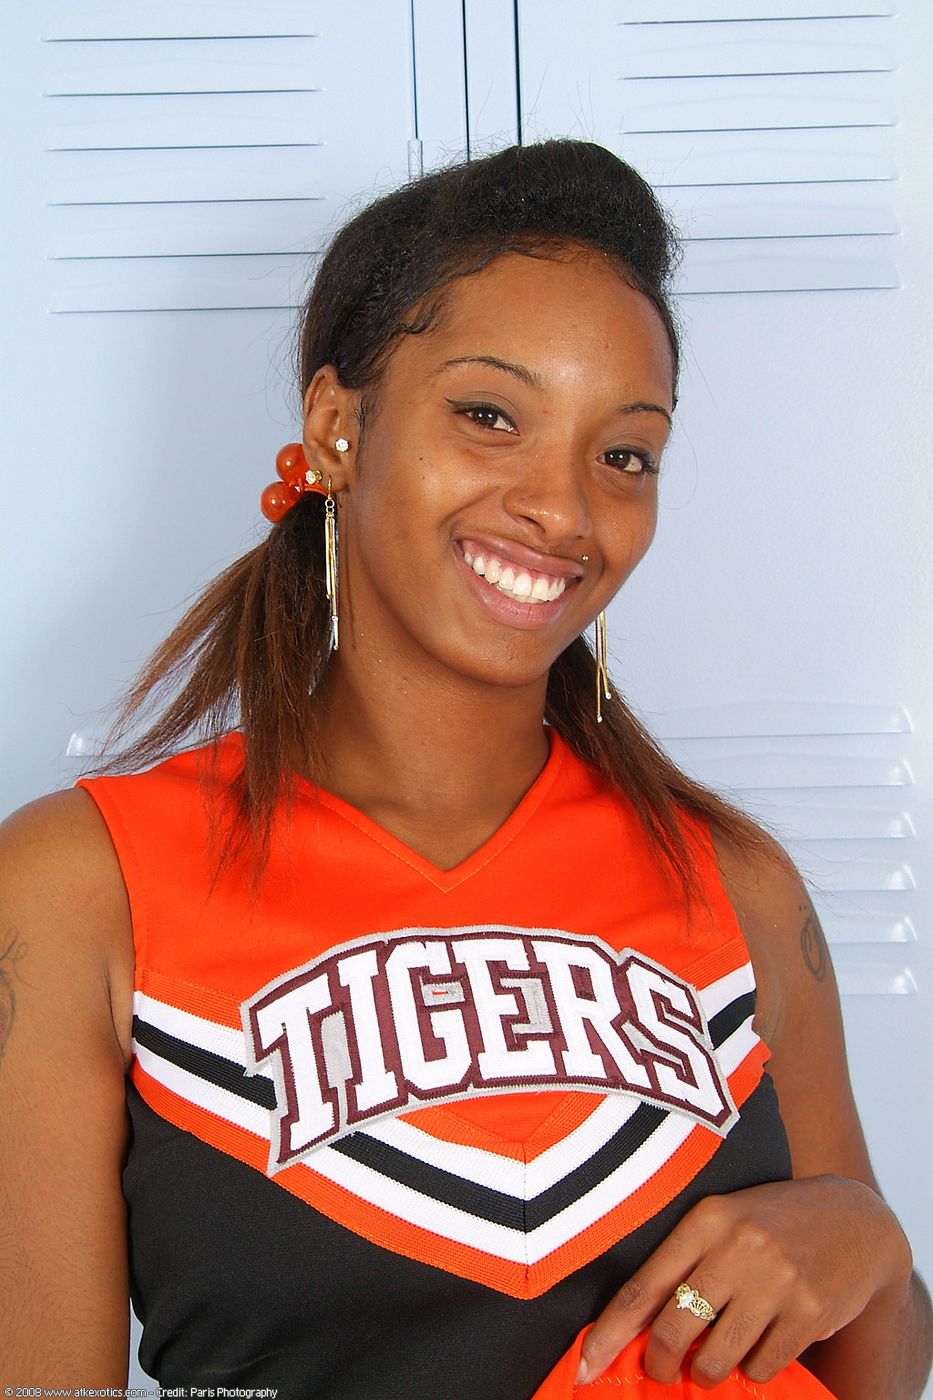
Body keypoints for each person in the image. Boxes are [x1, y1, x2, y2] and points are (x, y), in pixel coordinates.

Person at [0, 140, 930, 1399]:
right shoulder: (79, 887)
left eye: (625, 453)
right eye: (490, 415)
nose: (565, 509)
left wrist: (871, 1245)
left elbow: (876, 1365)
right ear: (336, 427)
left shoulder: (739, 884)